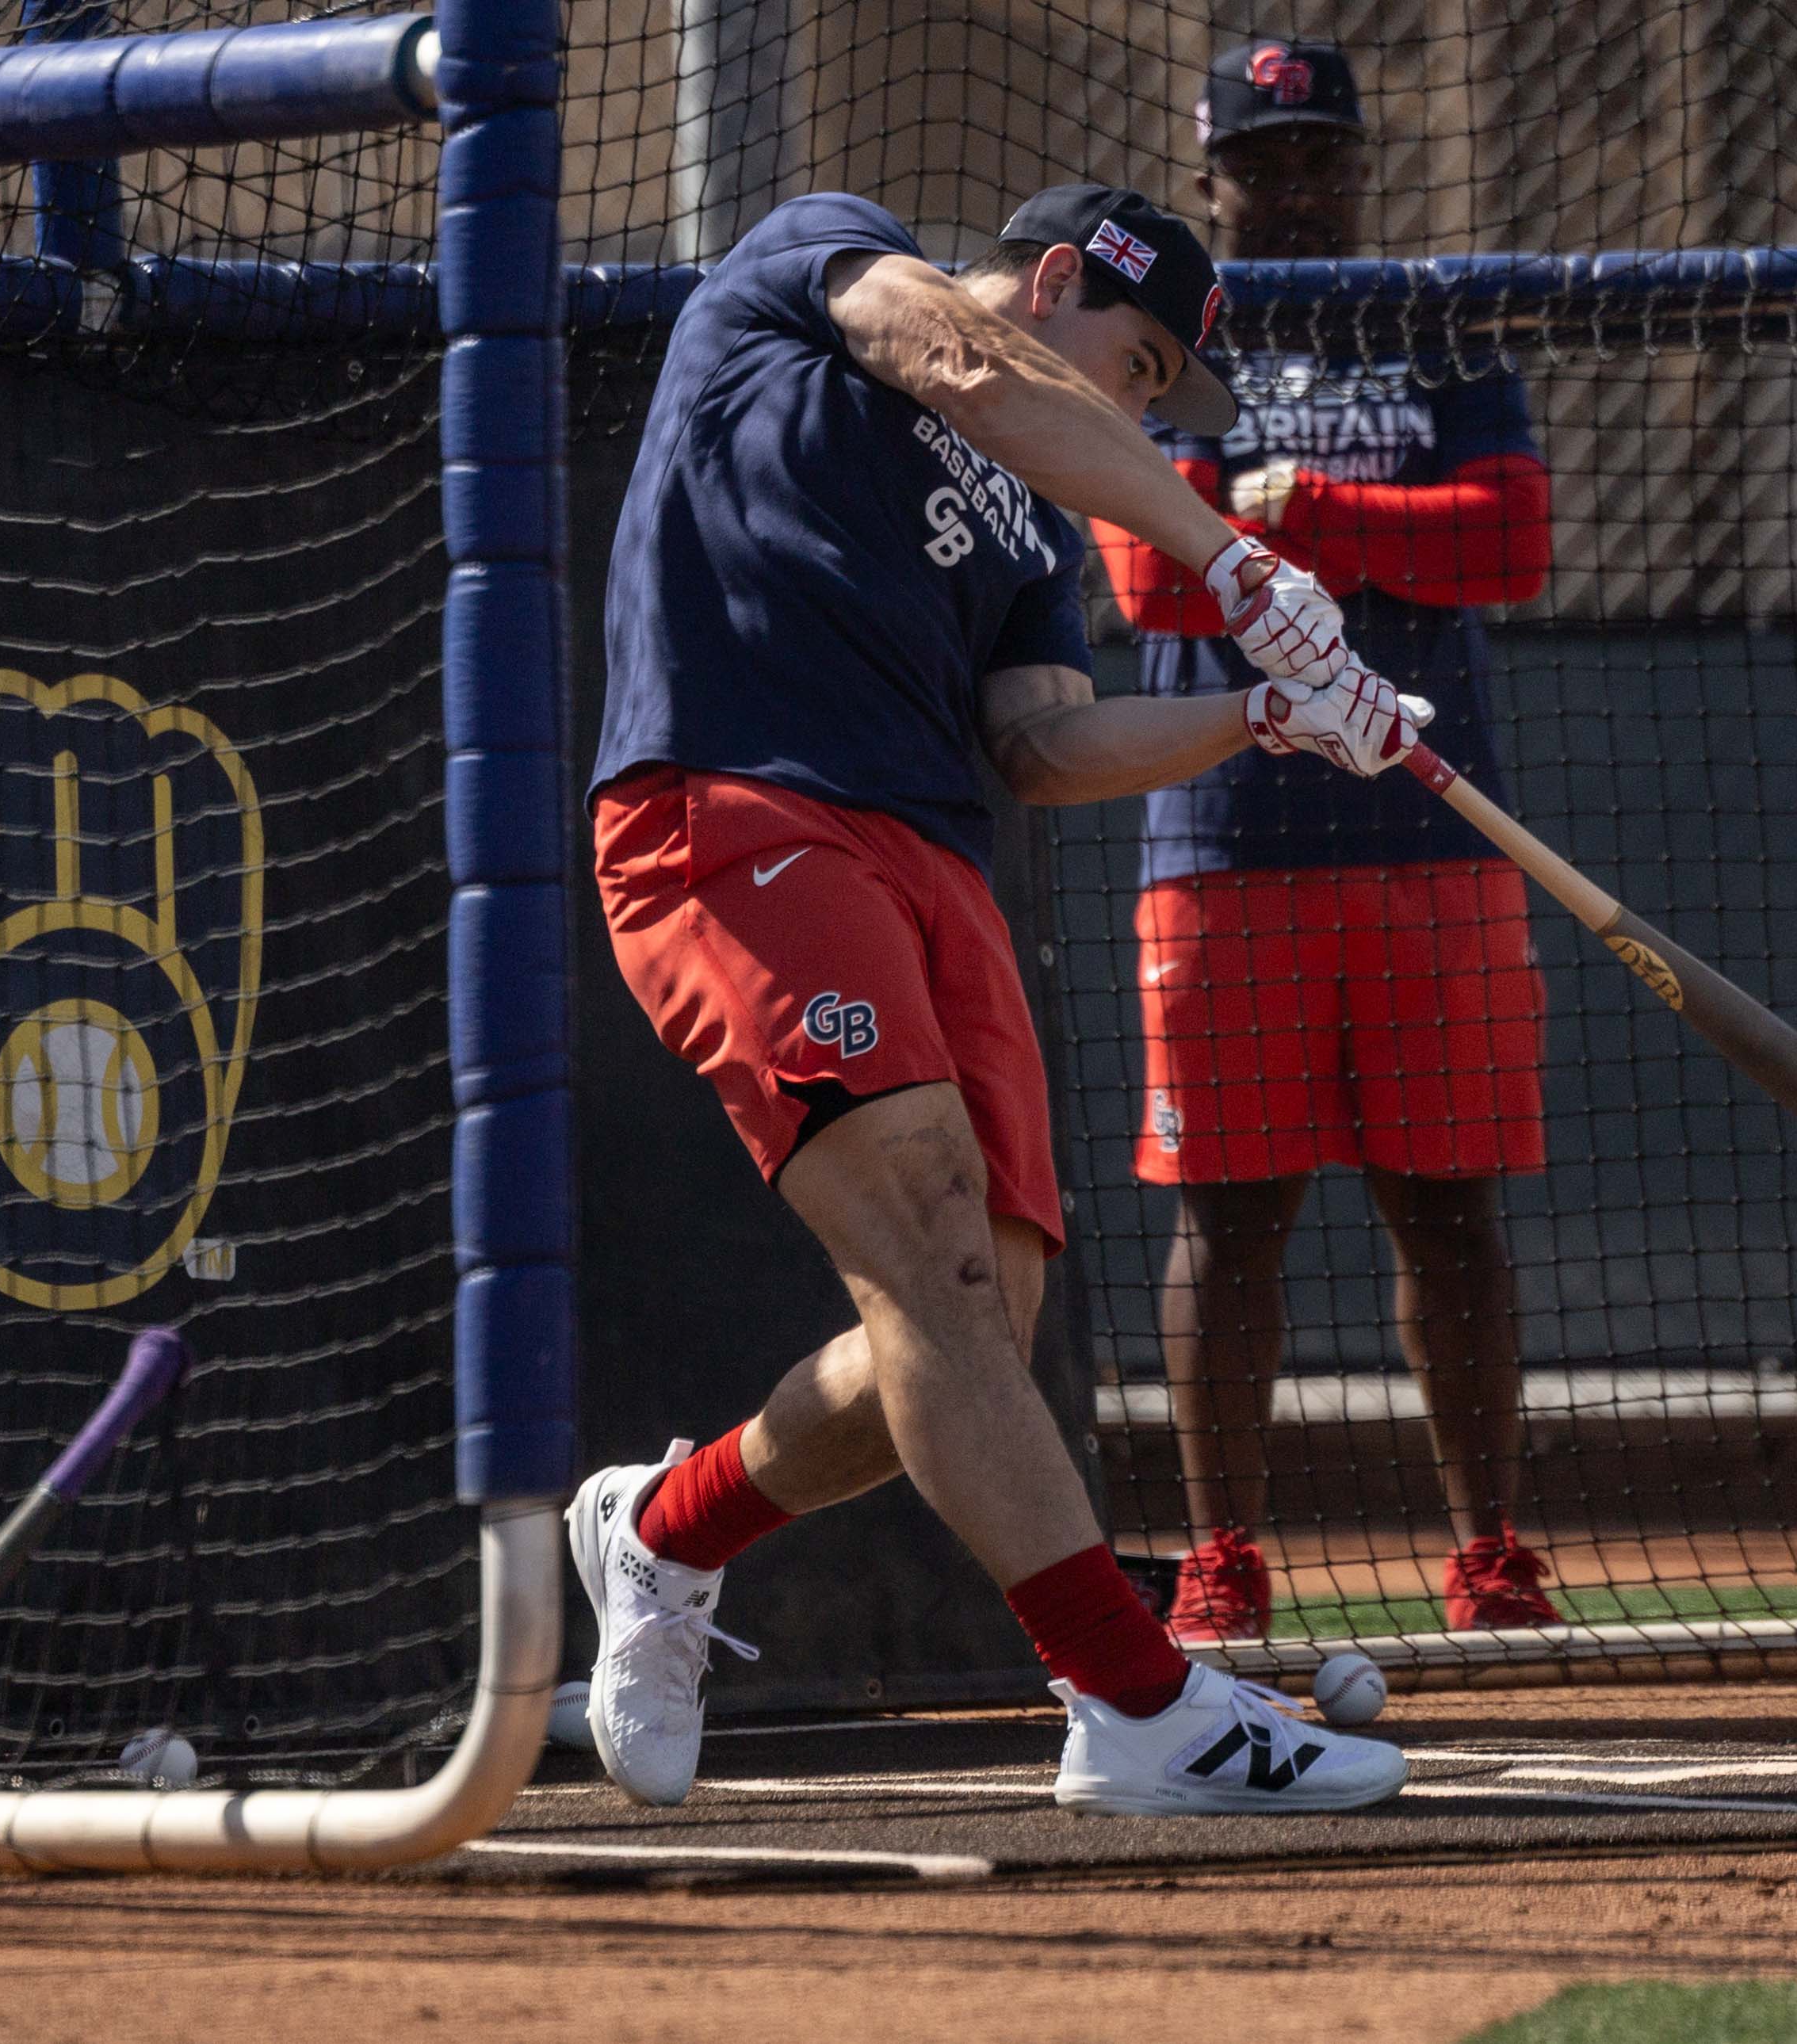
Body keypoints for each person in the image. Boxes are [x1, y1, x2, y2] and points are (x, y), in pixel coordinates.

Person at [577, 179, 1430, 1814]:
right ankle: (1134, 1705)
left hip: (932, 855)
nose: (1140, 405)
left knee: (975, 1330)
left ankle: (661, 1530)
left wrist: (1263, 715)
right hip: (737, 804)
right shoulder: (825, 259)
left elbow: (1041, 742)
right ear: (1057, 280)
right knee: (939, 1254)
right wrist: (1232, 554)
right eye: (1138, 362)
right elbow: (961, 360)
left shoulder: (1043, 522)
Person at [1087, 40, 1558, 1645]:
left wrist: (1304, 517)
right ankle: (1222, 1560)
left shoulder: (1428, 323)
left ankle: (1491, 1552)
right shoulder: (1168, 338)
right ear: (1210, 173)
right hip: (1225, 834)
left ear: (1360, 165)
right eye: (1263, 160)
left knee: (1451, 1205)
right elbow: (1152, 584)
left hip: (1434, 823)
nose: (1294, 186)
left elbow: (1513, 543)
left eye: (1319, 156)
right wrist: (1336, 533)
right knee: (1232, 1210)